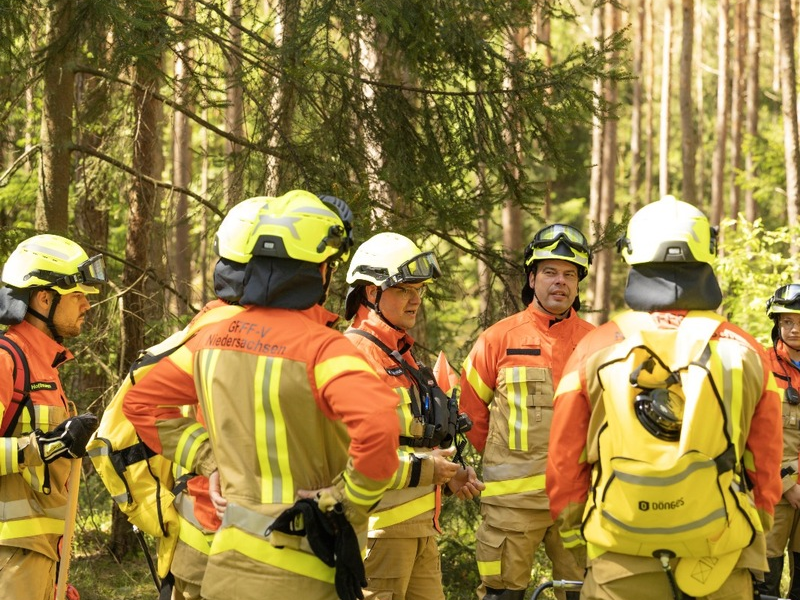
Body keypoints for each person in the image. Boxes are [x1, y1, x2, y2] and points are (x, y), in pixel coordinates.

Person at [123, 190, 401, 600]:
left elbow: (140, 402)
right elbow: (378, 427)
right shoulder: (324, 349)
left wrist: (209, 460)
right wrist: (347, 502)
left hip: (225, 574)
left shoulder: (211, 339)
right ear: (319, 271)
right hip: (304, 578)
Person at [546, 195, 783, 600]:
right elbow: (765, 464)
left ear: (631, 256)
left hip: (618, 558)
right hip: (718, 560)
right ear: (708, 253)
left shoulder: (594, 350)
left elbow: (564, 463)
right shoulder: (747, 352)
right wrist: (752, 530)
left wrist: (579, 542)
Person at [343, 232, 484, 600]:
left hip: (420, 532)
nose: (417, 298)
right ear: (371, 292)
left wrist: (448, 476)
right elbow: (349, 457)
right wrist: (427, 469)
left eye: (419, 289)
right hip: (377, 537)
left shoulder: (399, 354)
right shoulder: (353, 355)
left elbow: (411, 440)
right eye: (404, 289)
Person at [458, 223, 594, 600]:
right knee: (502, 595)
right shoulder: (498, 339)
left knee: (586, 593)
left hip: (580, 503)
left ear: (578, 284)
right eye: (550, 272)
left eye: (569, 274)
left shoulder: (598, 343)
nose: (560, 281)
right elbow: (469, 411)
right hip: (511, 509)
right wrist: (504, 458)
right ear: (532, 279)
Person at [0, 234, 105, 600]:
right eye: (77, 294)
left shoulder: (45, 367)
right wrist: (49, 446)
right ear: (44, 298)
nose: (87, 305)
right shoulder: (6, 361)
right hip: (10, 559)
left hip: (43, 556)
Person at [758, 283, 800, 600]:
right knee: (765, 580)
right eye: (787, 321)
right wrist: (788, 482)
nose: (795, 329)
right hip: (772, 491)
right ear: (776, 323)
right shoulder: (759, 365)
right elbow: (752, 432)